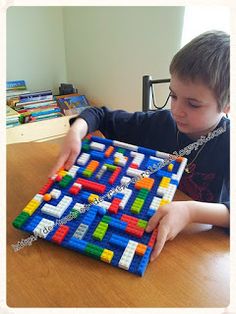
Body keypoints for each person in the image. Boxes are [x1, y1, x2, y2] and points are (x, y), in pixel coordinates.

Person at [50, 30, 230, 261]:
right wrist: (76, 131)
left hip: (197, 251)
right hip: (137, 222)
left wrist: (191, 211)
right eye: (173, 96)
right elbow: (100, 114)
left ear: (226, 105)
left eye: (193, 104)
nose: (176, 110)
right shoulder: (161, 123)